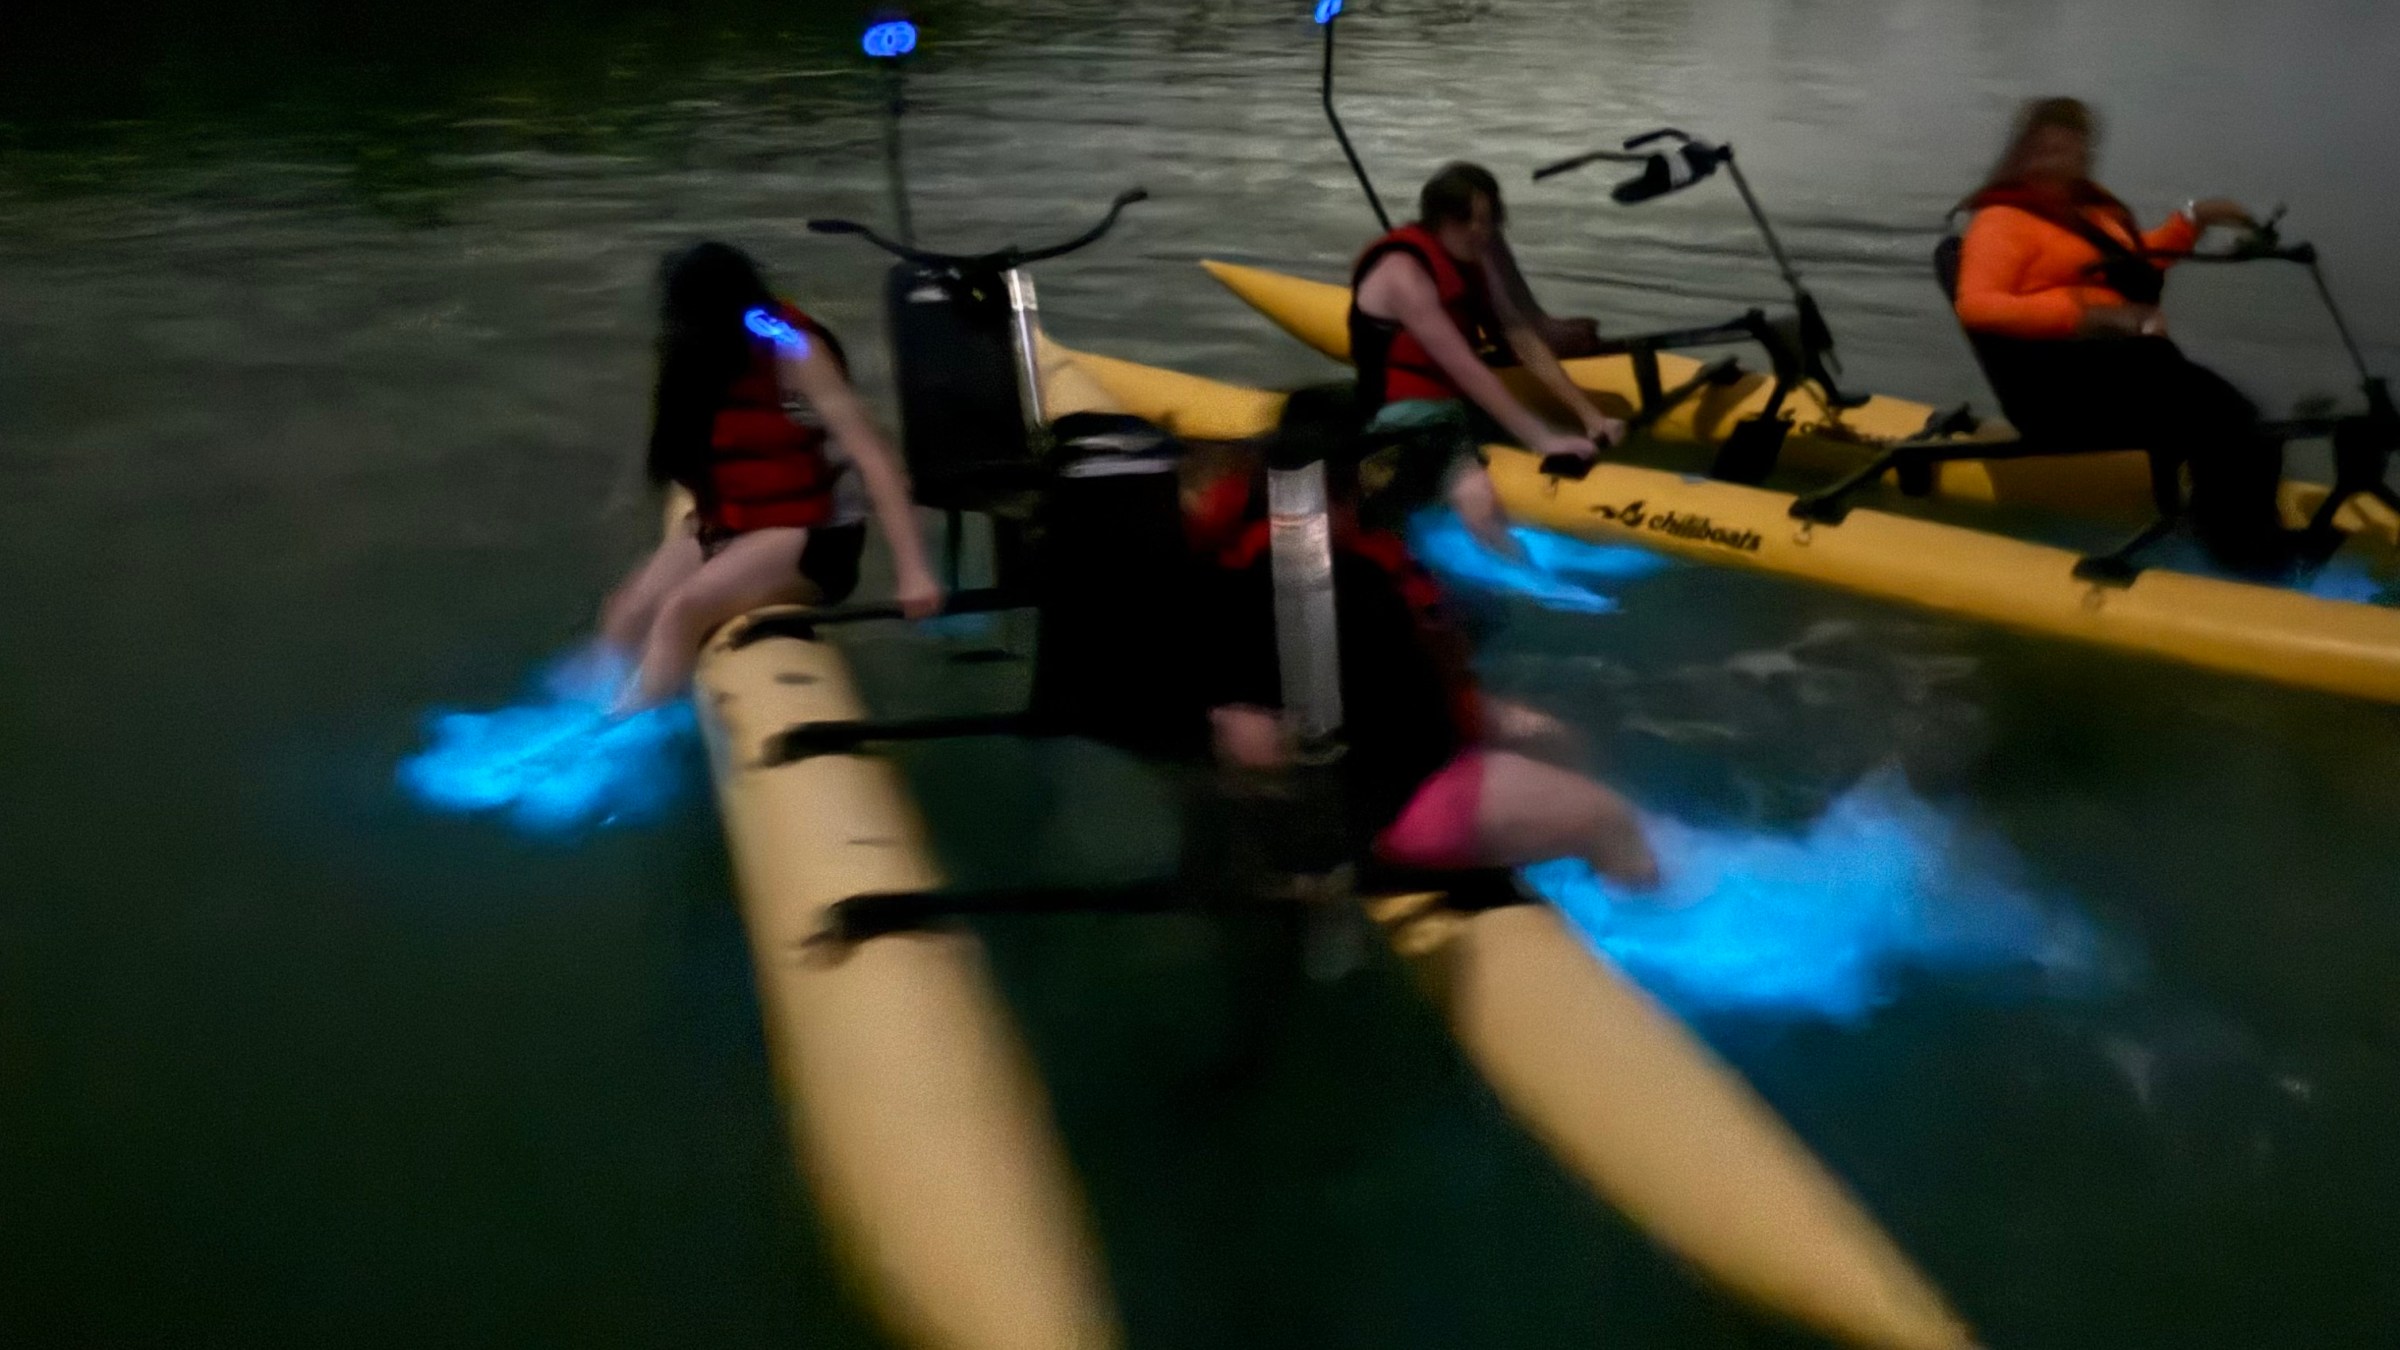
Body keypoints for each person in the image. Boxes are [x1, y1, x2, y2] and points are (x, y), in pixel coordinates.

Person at [1188, 389, 1659, 890]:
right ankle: (1643, 925)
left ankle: (1534, 840)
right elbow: (1410, 703)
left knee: (1548, 736)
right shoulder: (1341, 582)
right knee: (1610, 819)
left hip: (1362, 769)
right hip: (1391, 804)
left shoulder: (1238, 553)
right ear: (1337, 488)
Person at [1951, 97, 2298, 576]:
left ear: (2084, 153)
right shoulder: (2002, 220)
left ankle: (2234, 531)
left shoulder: (2088, 211)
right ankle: (2243, 557)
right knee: (2230, 425)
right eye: (2045, 145)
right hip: (2057, 388)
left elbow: (2132, 266)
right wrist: (2086, 315)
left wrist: (2195, 218)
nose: (2057, 155)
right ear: (2022, 153)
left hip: (2124, 366)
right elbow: (1977, 304)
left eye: (2069, 145)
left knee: (2249, 425)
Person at [599, 242, 942, 710]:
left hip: (812, 536)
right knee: (626, 612)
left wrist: (913, 571)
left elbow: (874, 458)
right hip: (732, 522)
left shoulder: (790, 344)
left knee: (682, 611)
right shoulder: (694, 348)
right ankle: (573, 713)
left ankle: (615, 739)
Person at [1350, 162, 1629, 551]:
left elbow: (1520, 337)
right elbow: (1466, 368)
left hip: (1454, 406)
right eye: (1468, 221)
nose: (1481, 232)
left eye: (1489, 221)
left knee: (1551, 430)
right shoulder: (1403, 272)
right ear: (1439, 218)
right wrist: (1543, 440)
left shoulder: (1473, 256)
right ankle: (1540, 586)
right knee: (1478, 494)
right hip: (1399, 413)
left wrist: (1589, 414)